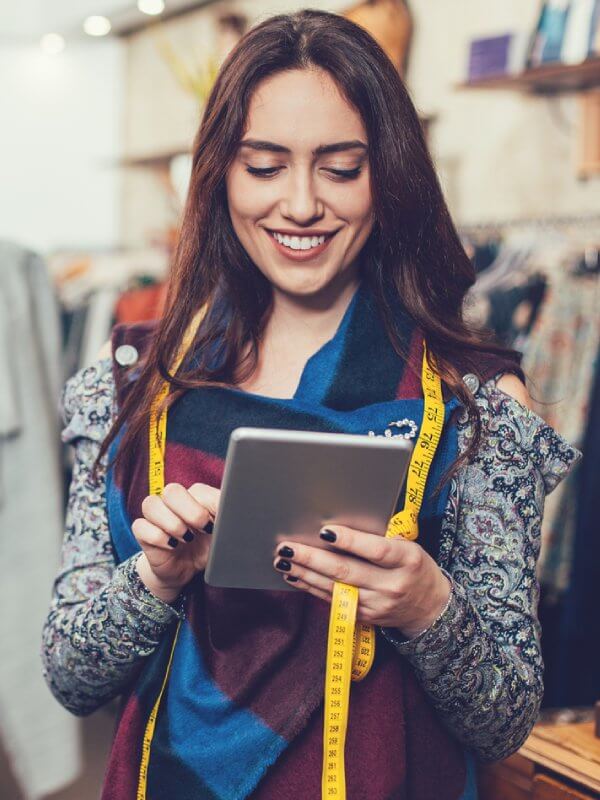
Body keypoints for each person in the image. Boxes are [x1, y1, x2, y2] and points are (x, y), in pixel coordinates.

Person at [41, 10, 581, 800]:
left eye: (340, 167)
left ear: (388, 175)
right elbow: (71, 676)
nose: (300, 205)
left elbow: (503, 722)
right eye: (264, 167)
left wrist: (428, 605)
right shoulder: (128, 387)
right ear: (219, 173)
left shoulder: (476, 408)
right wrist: (155, 579)